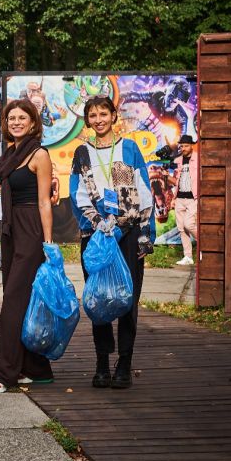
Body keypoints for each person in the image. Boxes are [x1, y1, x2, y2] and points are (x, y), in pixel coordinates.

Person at [70, 95, 155, 389]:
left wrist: (144, 235)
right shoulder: (82, 152)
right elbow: (77, 194)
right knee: (100, 299)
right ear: (87, 120)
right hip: (96, 238)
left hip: (128, 235)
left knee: (128, 298)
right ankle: (102, 363)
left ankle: (125, 363)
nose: (99, 120)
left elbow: (144, 192)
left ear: (113, 115)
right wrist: (98, 223)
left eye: (103, 113)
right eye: (93, 115)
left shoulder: (129, 149)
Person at [0, 99, 55, 393]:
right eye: (11, 118)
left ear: (33, 122)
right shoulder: (10, 154)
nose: (16, 122)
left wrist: (48, 243)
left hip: (31, 230)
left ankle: (3, 373)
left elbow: (44, 201)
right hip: (11, 231)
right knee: (23, 299)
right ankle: (35, 368)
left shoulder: (39, 154)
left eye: (22, 118)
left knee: (13, 299)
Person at [172, 135, 198, 266]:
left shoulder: (198, 159)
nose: (183, 148)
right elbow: (176, 180)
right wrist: (173, 198)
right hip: (180, 198)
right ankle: (188, 256)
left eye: (186, 146)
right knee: (182, 228)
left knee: (189, 224)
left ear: (191, 146)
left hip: (193, 198)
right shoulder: (178, 161)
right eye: (181, 146)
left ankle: (205, 245)